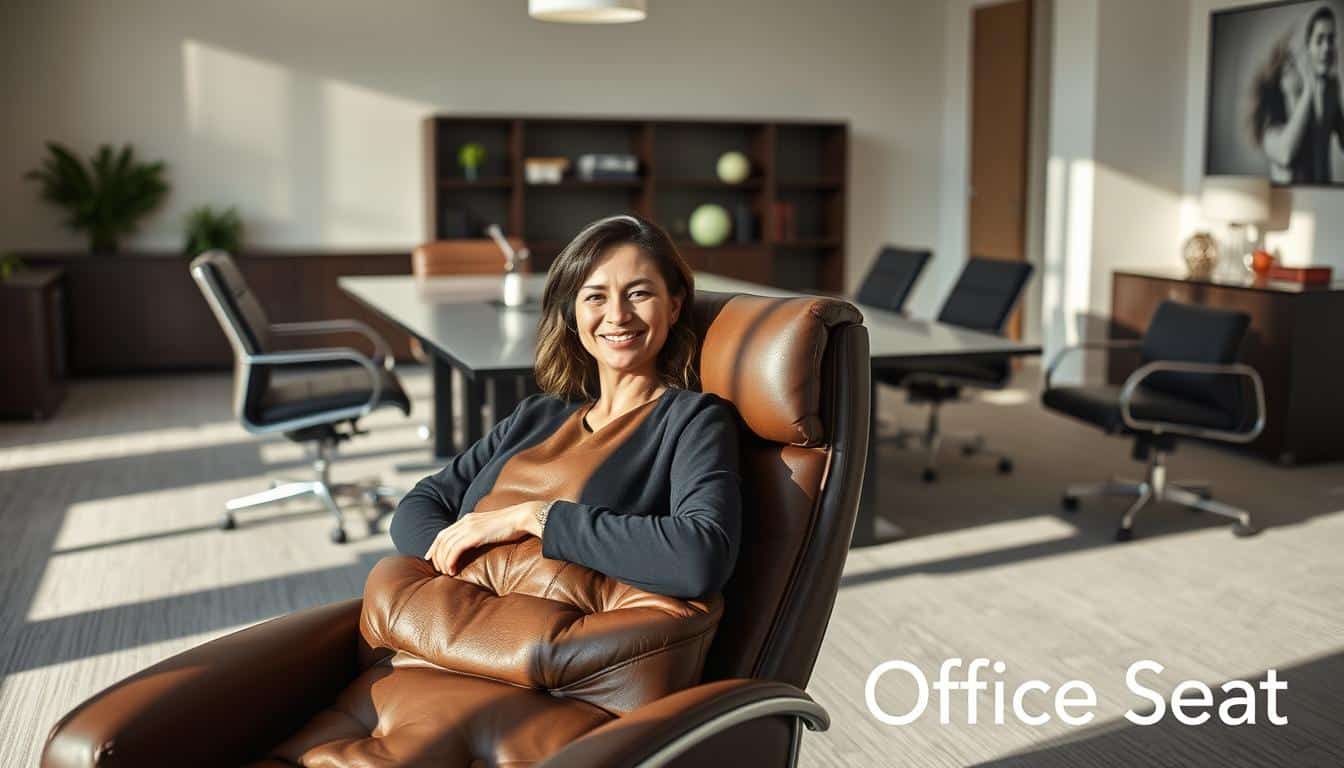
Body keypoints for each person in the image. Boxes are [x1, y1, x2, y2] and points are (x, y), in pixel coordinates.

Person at [389, 214, 742, 599]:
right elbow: (419, 505)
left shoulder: (692, 421)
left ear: (674, 306)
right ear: (573, 312)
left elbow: (700, 558)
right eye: (595, 297)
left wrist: (534, 517)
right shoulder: (537, 415)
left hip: (543, 631)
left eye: (639, 293)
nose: (618, 315)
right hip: (458, 613)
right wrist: (471, 572)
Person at [1260, 5, 1344, 183]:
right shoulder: (1270, 131)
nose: (1327, 48)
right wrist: (1310, 88)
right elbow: (1286, 153)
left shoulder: (1327, 92)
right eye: (1319, 40)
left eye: (1331, 39)